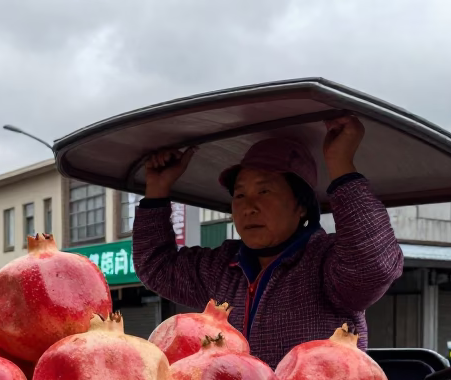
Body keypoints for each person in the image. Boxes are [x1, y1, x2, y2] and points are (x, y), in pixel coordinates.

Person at [133, 116, 403, 367]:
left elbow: (373, 266)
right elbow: (156, 266)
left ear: (301, 207)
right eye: (239, 195)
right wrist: (156, 192)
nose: (249, 207)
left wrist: (341, 164)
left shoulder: (326, 263)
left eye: (264, 191)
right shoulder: (222, 267)